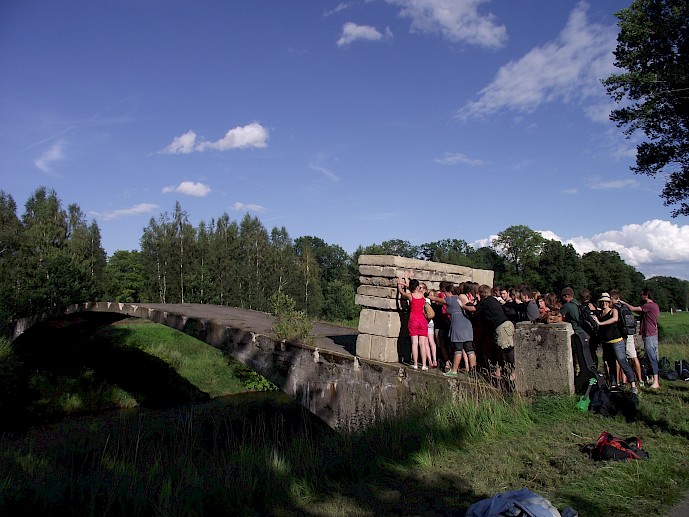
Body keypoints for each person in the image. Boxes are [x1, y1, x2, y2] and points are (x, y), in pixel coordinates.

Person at [592, 293, 638, 394]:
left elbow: (614, 319)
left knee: (622, 362)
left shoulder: (614, 310)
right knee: (611, 363)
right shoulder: (599, 313)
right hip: (606, 342)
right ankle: (613, 384)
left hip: (617, 341)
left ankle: (633, 385)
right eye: (602, 302)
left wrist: (600, 323)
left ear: (609, 302)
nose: (604, 303)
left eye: (606, 301)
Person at [430, 284, 476, 377]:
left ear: (450, 292)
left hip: (458, 325)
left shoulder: (451, 299)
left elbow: (438, 300)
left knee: (458, 348)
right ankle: (473, 370)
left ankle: (454, 370)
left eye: (446, 293)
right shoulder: (461, 298)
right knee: (469, 348)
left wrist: (428, 295)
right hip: (467, 325)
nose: (445, 295)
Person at [620, 288, 661, 390]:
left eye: (642, 294)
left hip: (649, 334)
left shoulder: (648, 305)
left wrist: (623, 302)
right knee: (651, 357)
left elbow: (634, 309)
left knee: (652, 357)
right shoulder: (653, 306)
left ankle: (656, 381)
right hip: (652, 334)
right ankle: (652, 378)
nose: (640, 296)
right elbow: (640, 313)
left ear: (646, 295)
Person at [476, 284, 515, 379]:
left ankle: (513, 372)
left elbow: (474, 310)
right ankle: (500, 371)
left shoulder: (486, 302)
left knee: (507, 349)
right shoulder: (493, 300)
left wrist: (462, 305)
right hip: (505, 325)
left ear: (482, 293)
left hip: (501, 327)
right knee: (501, 351)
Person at [397, 273, 430, 370]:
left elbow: (401, 293)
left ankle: (415, 364)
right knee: (422, 344)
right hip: (423, 320)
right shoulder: (423, 295)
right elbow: (413, 287)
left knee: (414, 343)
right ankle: (424, 365)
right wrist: (409, 278)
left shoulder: (411, 296)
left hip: (413, 320)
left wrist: (399, 283)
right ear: (418, 286)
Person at [610, 289, 643, 386]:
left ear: (612, 298)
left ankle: (621, 381)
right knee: (633, 357)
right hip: (630, 333)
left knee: (619, 358)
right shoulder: (625, 307)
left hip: (620, 335)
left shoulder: (615, 308)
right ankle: (640, 380)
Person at [422, 284, 438, 369]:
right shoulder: (432, 301)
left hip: (425, 322)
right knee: (431, 341)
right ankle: (433, 360)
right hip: (431, 322)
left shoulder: (424, 300)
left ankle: (430, 361)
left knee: (426, 342)